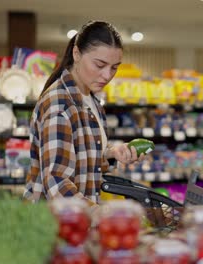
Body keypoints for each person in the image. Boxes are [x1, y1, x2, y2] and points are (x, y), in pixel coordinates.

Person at [23, 21, 143, 207]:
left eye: (114, 67)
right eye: (100, 65)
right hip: (53, 228)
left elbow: (83, 161)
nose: (107, 75)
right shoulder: (60, 103)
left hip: (78, 225)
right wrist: (99, 214)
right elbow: (57, 183)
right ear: (76, 54)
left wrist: (111, 154)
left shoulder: (91, 99)